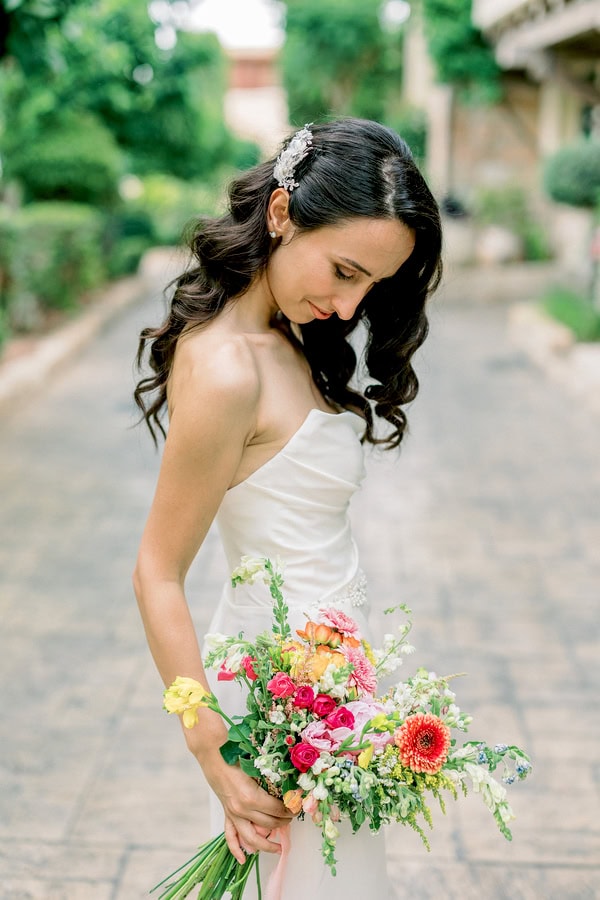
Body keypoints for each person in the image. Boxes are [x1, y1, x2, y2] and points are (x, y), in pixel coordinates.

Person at [133, 118, 443, 898]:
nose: (347, 307)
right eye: (343, 270)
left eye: (370, 285)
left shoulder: (291, 336)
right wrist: (210, 742)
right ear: (280, 214)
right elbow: (156, 572)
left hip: (336, 690)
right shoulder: (227, 367)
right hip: (283, 706)